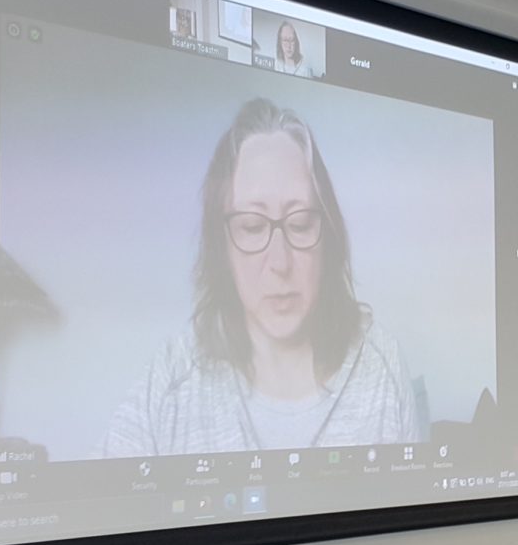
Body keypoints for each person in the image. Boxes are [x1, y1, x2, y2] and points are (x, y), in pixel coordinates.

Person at [104, 97, 415, 456]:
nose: (280, 263)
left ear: (328, 233)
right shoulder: (172, 377)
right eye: (252, 227)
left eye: (299, 224)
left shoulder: (381, 366)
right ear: (221, 244)